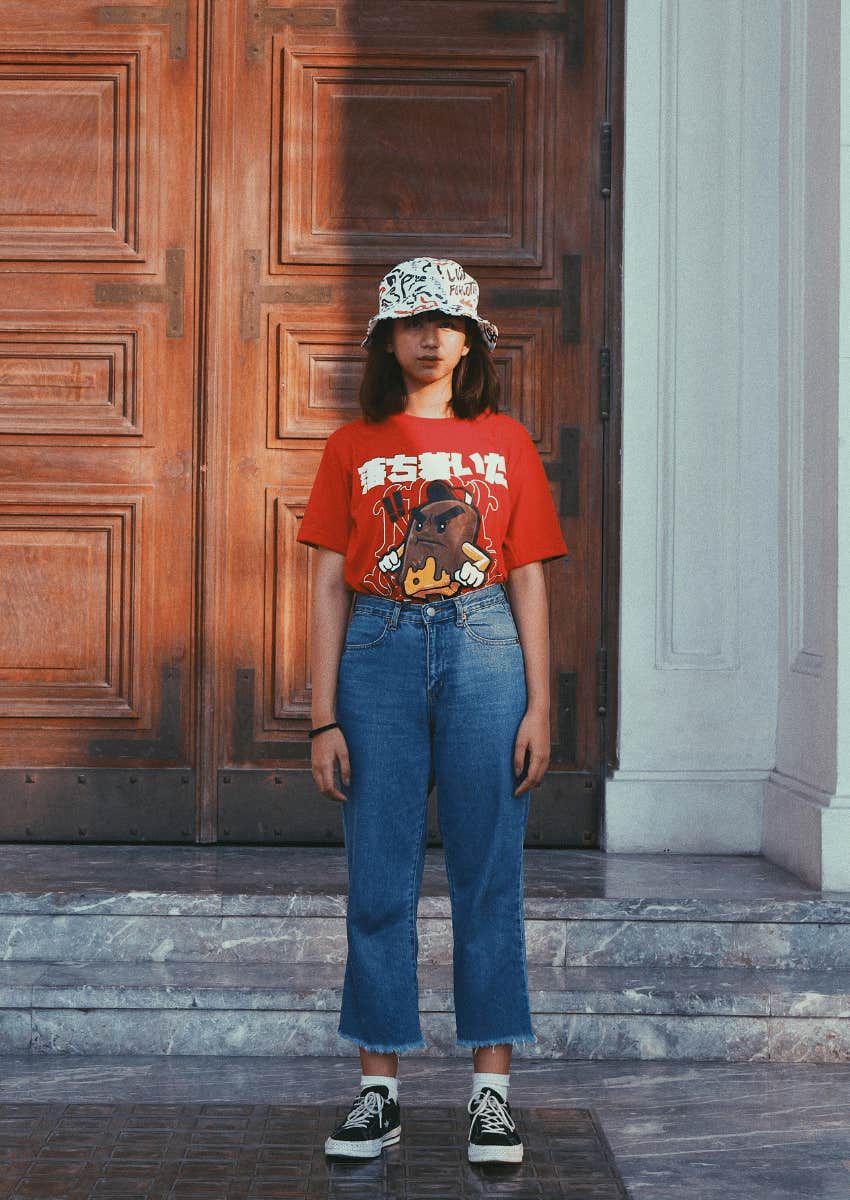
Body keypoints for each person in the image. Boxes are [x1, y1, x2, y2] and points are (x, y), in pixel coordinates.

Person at [296, 257, 568, 1165]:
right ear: (386, 340)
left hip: (485, 649)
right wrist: (322, 715)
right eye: (412, 323)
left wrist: (540, 702)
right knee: (379, 876)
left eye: (446, 323)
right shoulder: (351, 444)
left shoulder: (506, 441)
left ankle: (491, 1096)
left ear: (469, 342)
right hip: (377, 652)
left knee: (489, 875)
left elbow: (527, 575)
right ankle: (378, 1093)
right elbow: (327, 583)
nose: (429, 337)